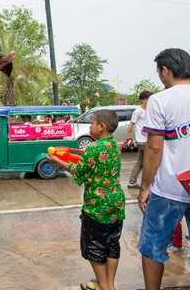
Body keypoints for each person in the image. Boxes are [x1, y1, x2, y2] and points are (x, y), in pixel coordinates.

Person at [137, 48, 190, 290]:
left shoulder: (160, 100)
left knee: (153, 245)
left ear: (166, 70)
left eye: (159, 73)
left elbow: (154, 149)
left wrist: (145, 188)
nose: (160, 78)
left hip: (168, 188)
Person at [46, 110, 125, 290]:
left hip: (97, 206)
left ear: (101, 126)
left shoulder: (94, 147)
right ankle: (109, 284)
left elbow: (79, 172)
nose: (89, 127)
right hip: (116, 204)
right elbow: (98, 169)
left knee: (94, 247)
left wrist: (57, 161)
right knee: (112, 243)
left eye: (91, 123)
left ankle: (104, 286)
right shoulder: (114, 146)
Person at [127, 91, 152, 189]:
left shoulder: (150, 110)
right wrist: (129, 138)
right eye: (147, 99)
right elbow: (131, 124)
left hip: (148, 139)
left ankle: (132, 182)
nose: (149, 101)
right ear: (142, 100)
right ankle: (148, 183)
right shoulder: (138, 111)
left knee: (140, 162)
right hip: (142, 140)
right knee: (150, 161)